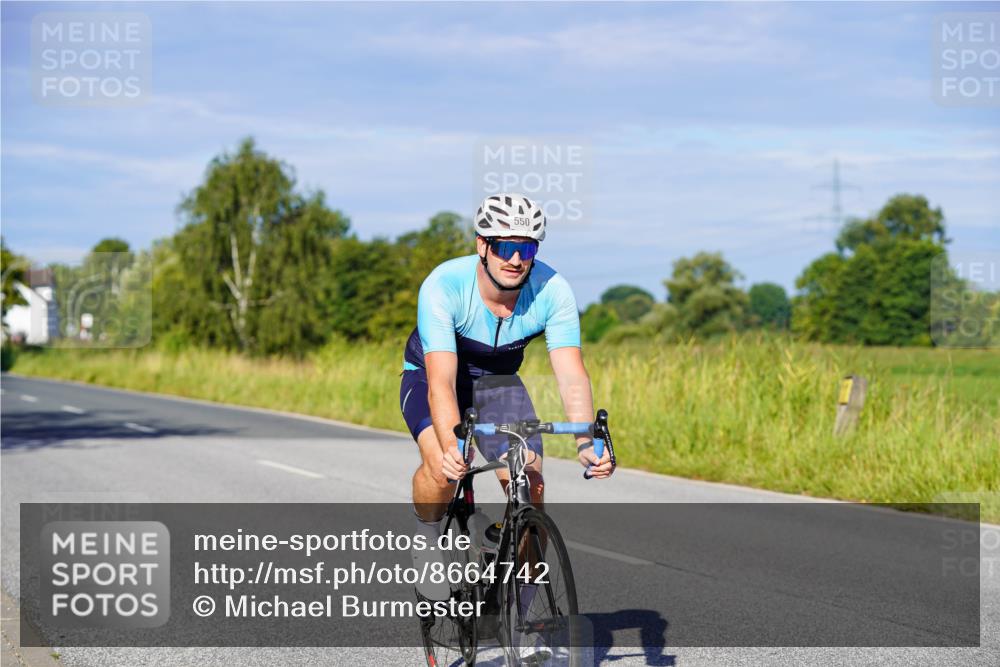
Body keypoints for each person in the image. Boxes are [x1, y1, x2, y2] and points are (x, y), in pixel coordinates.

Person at [399, 193, 614, 604]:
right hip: (433, 376)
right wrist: (451, 446)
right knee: (444, 467)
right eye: (504, 247)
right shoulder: (445, 285)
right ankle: (427, 536)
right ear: (482, 245)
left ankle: (523, 614)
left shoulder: (553, 290)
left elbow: (571, 372)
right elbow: (442, 382)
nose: (516, 259)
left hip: (497, 383)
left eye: (526, 249)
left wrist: (585, 442)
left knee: (531, 482)